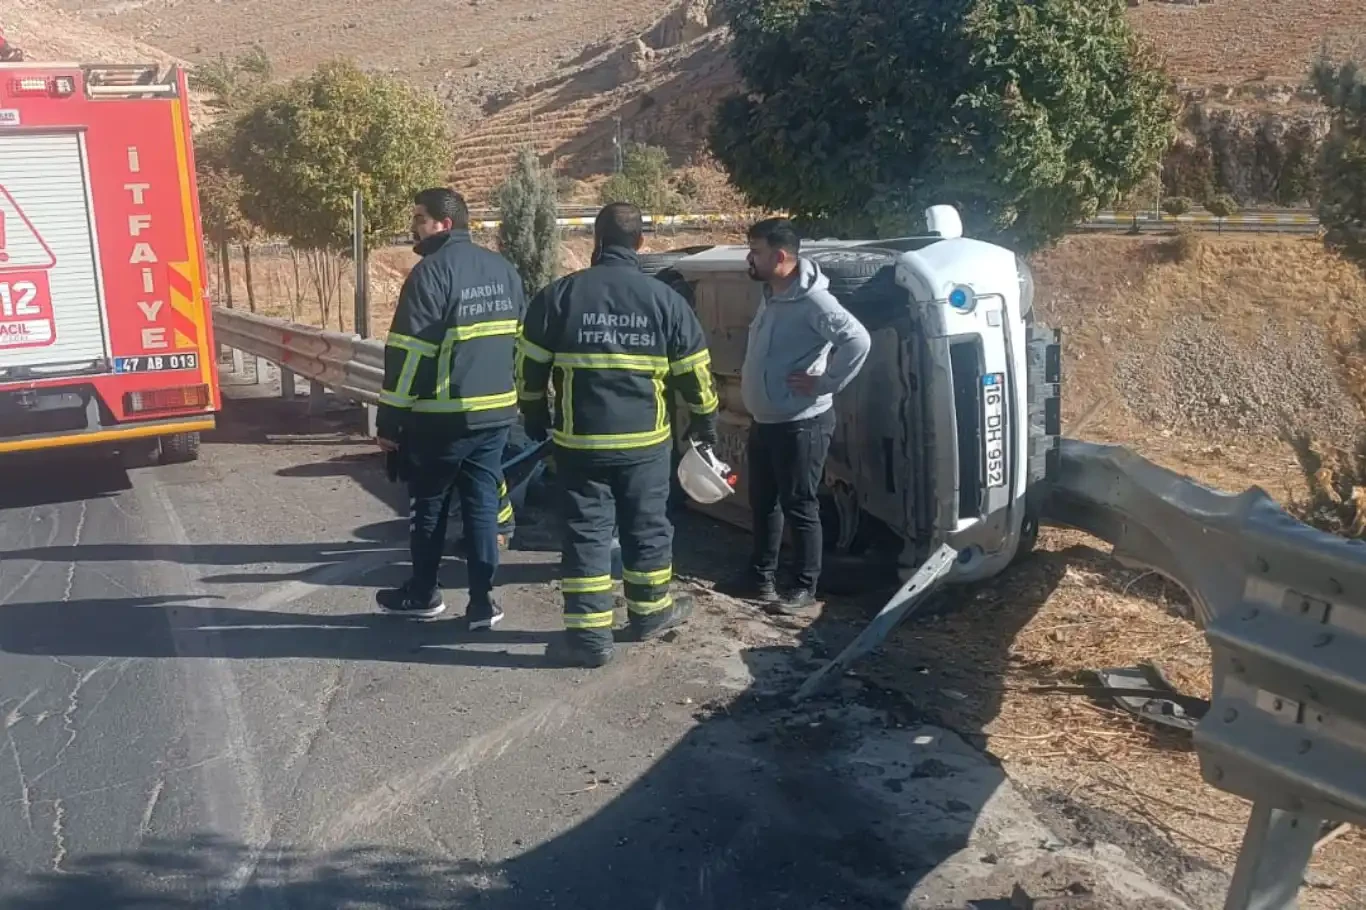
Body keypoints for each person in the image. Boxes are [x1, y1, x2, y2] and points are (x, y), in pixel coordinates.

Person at [516, 202, 719, 667]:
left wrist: (533, 417)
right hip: (645, 445)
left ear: (596, 241)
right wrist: (705, 426)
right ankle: (649, 615)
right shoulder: (664, 301)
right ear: (641, 243)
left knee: (586, 533)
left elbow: (527, 372)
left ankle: (589, 639)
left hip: (579, 443)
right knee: (646, 527)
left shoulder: (558, 297)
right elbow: (696, 377)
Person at [374, 187, 526, 629]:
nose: (413, 226)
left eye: (419, 218)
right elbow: (517, 339)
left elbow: (407, 356)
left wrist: (390, 421)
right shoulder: (503, 269)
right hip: (495, 415)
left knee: (429, 507)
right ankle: (482, 603)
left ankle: (423, 593)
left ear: (444, 223)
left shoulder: (430, 274)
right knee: (481, 506)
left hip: (441, 418)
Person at [724, 217, 870, 614]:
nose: (749, 260)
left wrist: (826, 383)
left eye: (755, 252)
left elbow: (858, 339)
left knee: (800, 504)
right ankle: (761, 576)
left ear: (781, 256)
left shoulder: (815, 302)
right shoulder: (772, 294)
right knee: (764, 502)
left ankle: (805, 586)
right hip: (766, 420)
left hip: (801, 423)